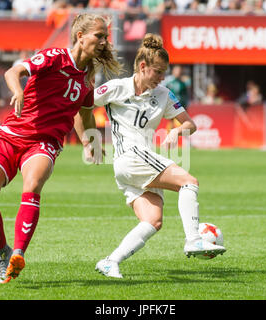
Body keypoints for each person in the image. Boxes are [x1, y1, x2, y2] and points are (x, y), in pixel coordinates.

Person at [0, 13, 121, 284]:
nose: (103, 41)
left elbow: (84, 113)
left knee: (32, 185)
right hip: (11, 135)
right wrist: (17, 90)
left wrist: (90, 142)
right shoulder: (55, 57)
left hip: (45, 142)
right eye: (98, 36)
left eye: (105, 37)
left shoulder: (88, 77)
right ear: (80, 36)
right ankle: (3, 252)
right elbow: (13, 71)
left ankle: (18, 254)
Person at [76, 33, 226, 279]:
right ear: (143, 67)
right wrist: (87, 140)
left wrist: (176, 130)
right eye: (158, 71)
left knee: (153, 220)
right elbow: (81, 105)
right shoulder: (116, 88)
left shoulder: (164, 94)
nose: (162, 77)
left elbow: (190, 124)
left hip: (135, 163)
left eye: (164, 72)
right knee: (189, 182)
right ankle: (194, 240)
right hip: (130, 156)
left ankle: (110, 261)